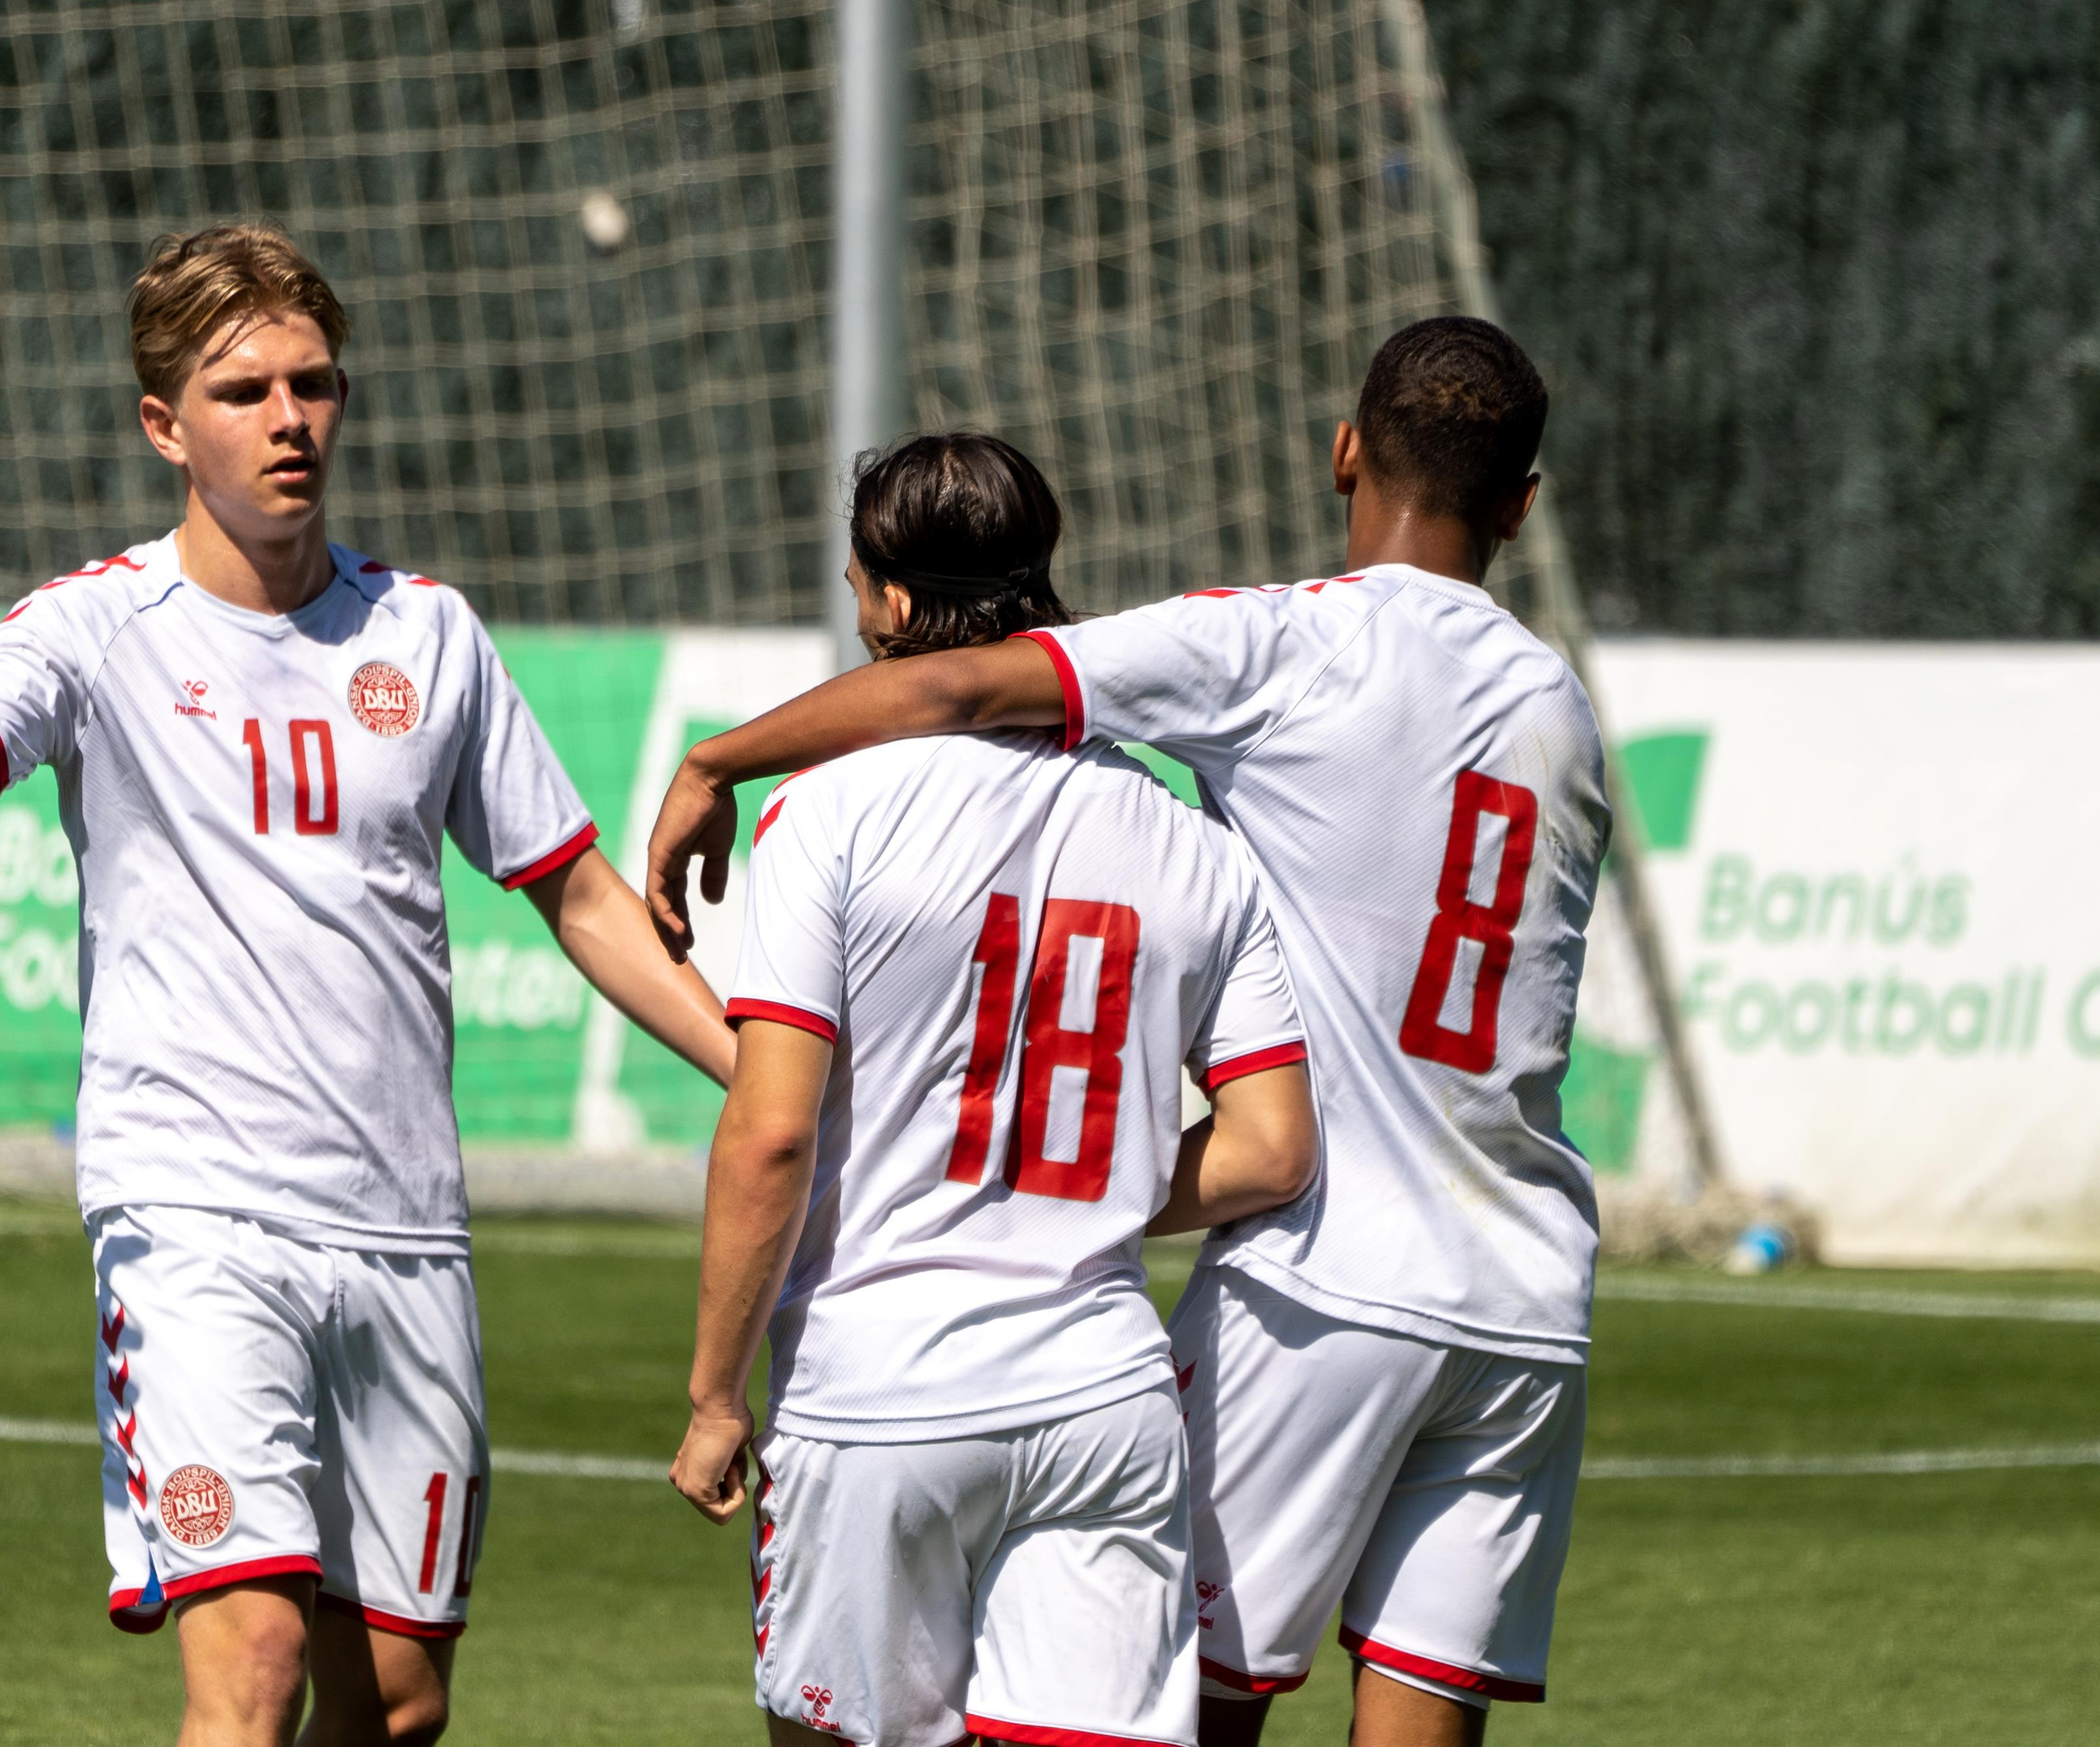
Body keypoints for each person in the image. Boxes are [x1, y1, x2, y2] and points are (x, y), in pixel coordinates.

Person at [649, 320, 1606, 1747]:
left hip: (1322, 1283)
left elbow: (965, 688)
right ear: (1524, 503)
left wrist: (721, 754)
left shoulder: (1282, 642)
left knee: (1205, 1717)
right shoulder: (1563, 714)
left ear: (1346, 452)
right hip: (1527, 1295)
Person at [0, 223, 733, 1747]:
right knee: (248, 1673)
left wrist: (758, 1065)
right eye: (244, 389)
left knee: (395, 1708)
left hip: (404, 1228)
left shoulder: (428, 633)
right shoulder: (94, 629)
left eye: (313, 384)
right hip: (196, 1221)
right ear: (164, 425)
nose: (288, 418)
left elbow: (578, 894)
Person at [667, 433, 1321, 1747]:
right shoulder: (1198, 843)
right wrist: (1060, 1197)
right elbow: (1270, 1152)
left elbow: (775, 1130)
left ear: (894, 604)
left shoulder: (828, 808)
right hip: (1103, 1399)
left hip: (875, 1397)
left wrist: (713, 1396)